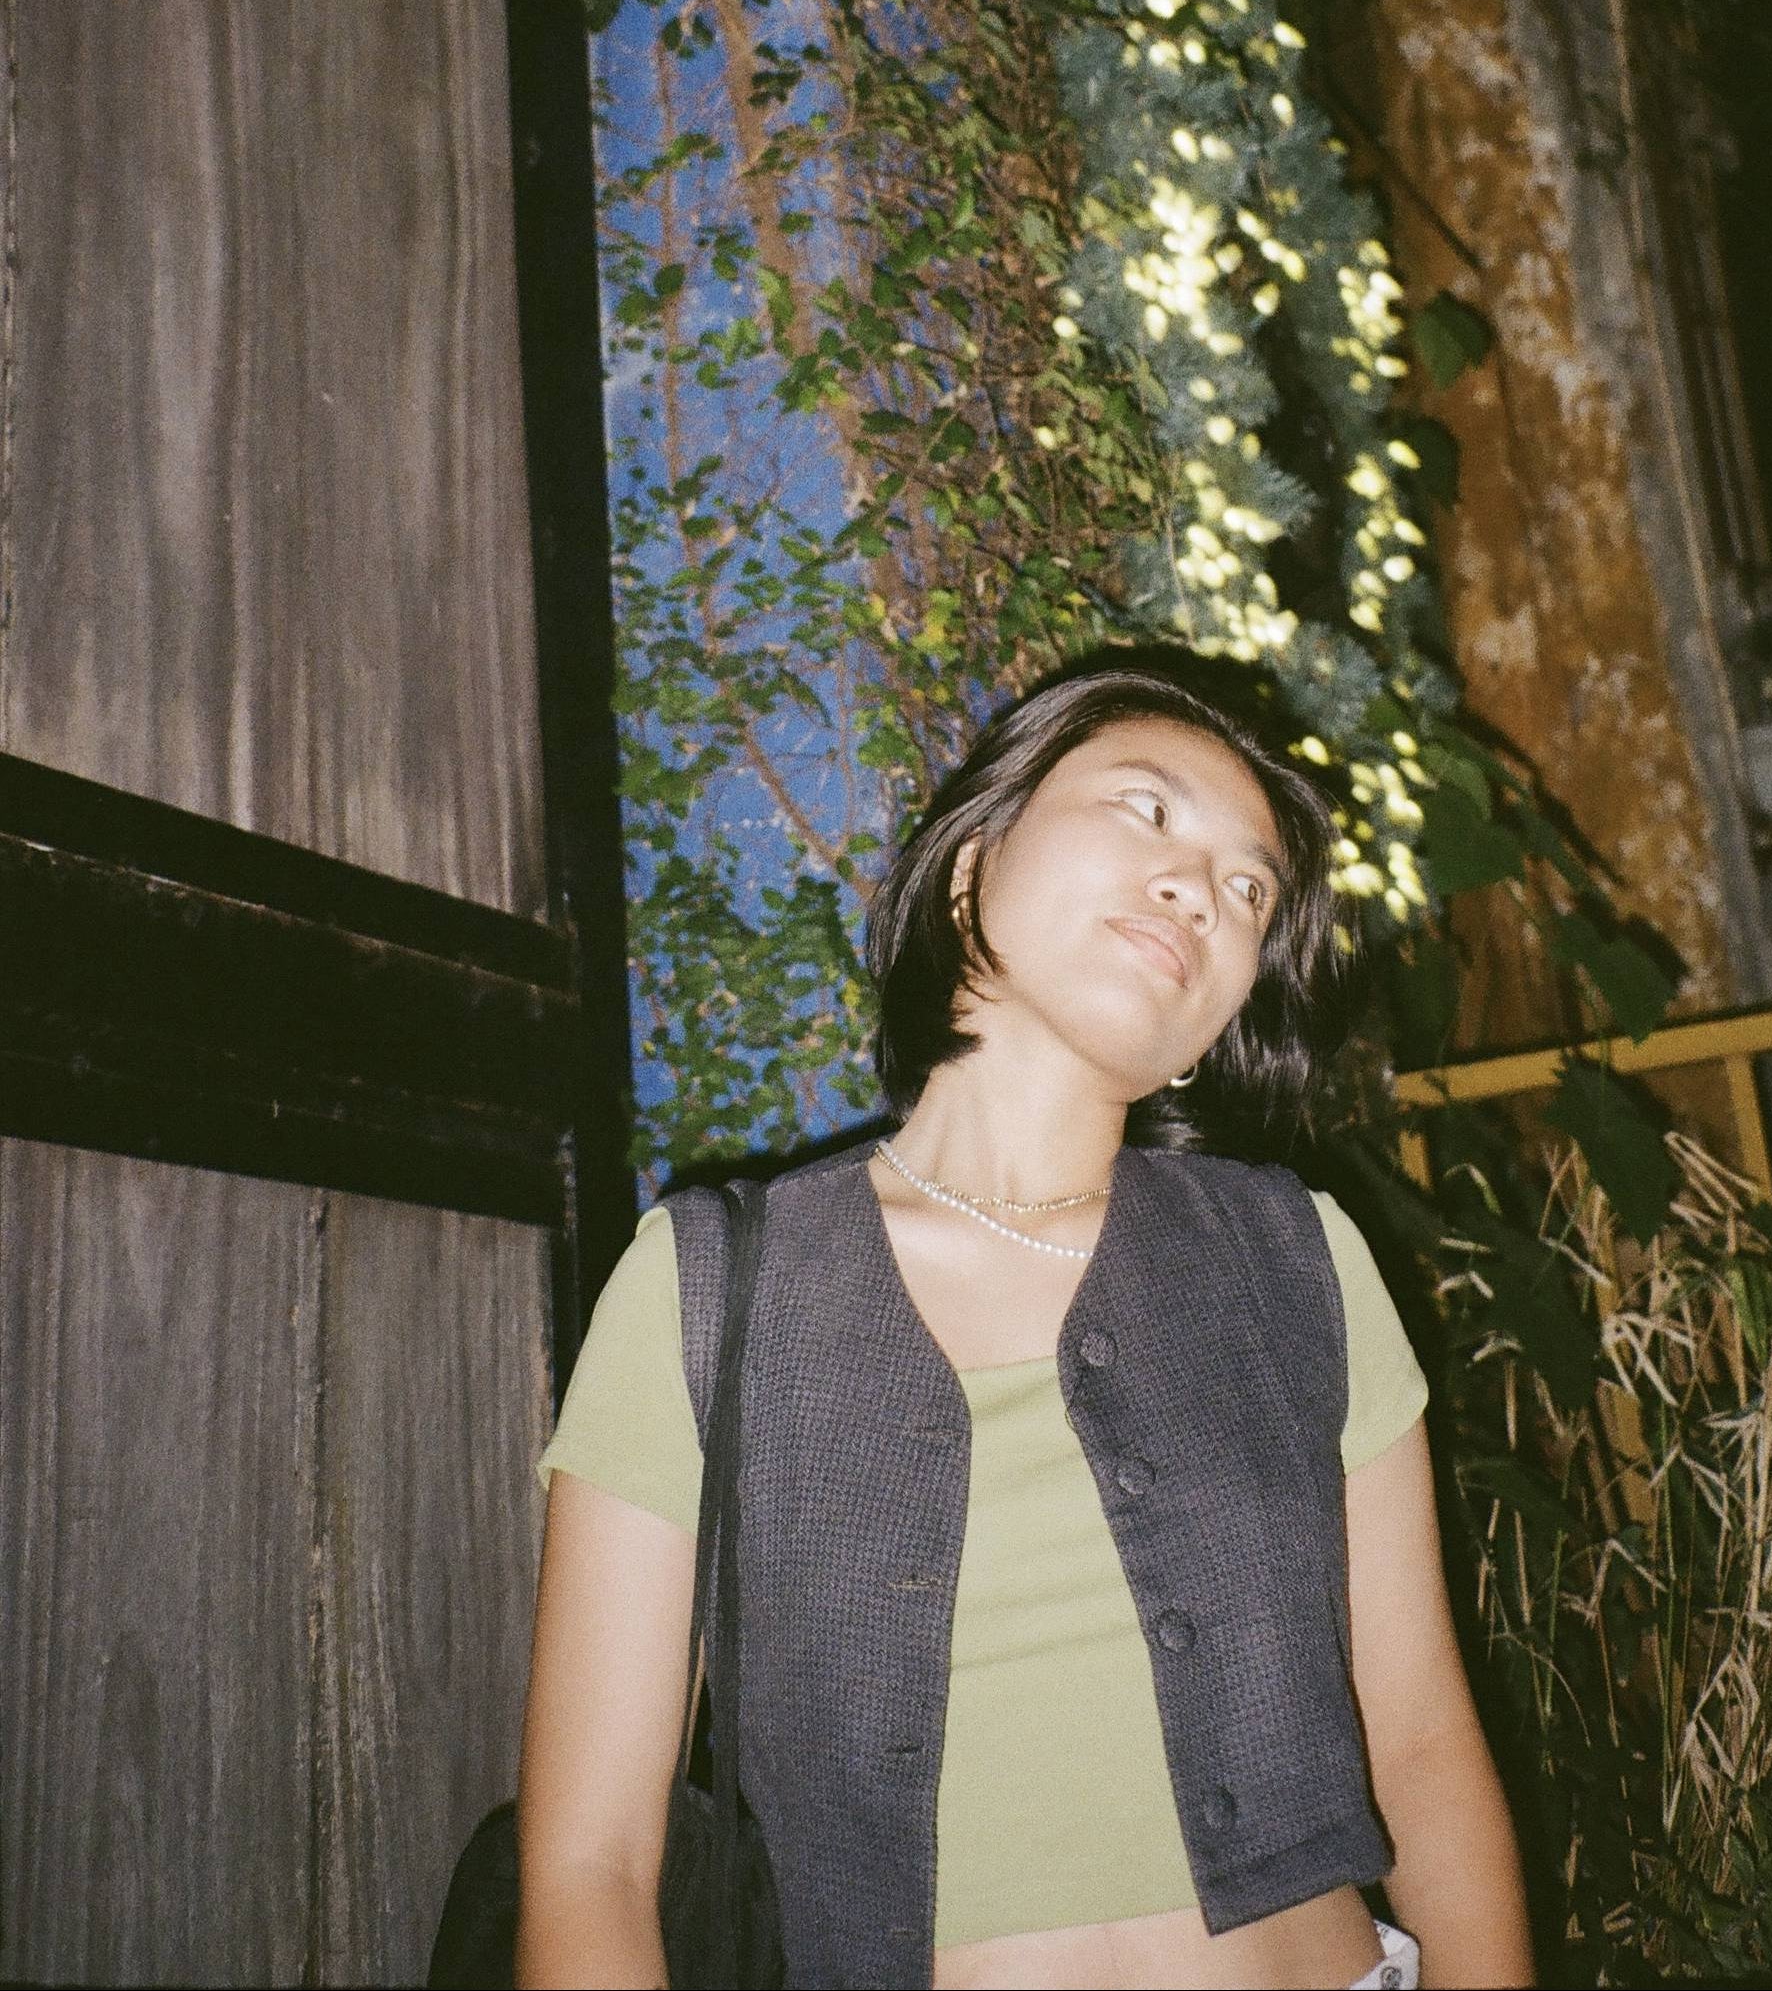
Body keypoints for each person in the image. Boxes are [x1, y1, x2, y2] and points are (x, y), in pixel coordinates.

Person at [514, 654, 1533, 1989]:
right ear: (966, 866)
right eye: (1147, 811)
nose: (1200, 888)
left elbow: (1421, 1749)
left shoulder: (1295, 1257)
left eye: (1248, 889)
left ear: (1207, 1032)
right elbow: (590, 1864)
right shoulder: (707, 1286)